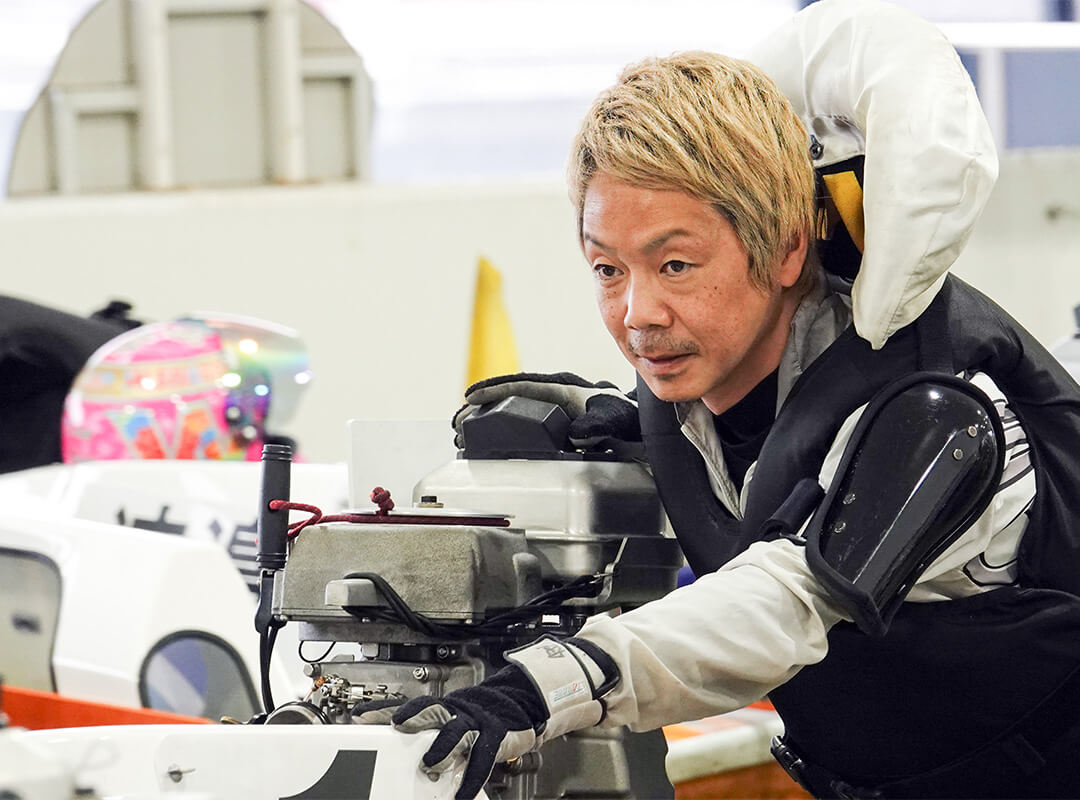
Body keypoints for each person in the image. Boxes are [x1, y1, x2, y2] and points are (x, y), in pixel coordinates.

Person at [354, 2, 1080, 798]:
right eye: (607, 270)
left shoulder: (941, 413)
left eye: (675, 266)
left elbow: (786, 603)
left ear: (788, 245)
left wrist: (544, 687)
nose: (637, 315)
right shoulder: (689, 406)